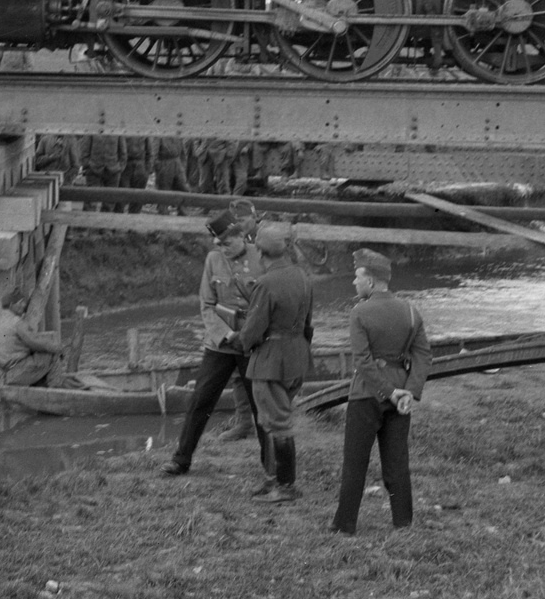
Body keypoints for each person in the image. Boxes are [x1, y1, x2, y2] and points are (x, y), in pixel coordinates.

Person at [331, 249, 429, 535]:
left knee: (355, 462)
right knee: (397, 461)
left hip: (366, 394)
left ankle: (344, 524)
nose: (354, 283)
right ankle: (403, 522)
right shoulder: (411, 310)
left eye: (357, 277)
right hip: (401, 396)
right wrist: (408, 391)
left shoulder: (359, 312)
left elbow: (361, 361)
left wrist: (387, 391)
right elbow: (424, 355)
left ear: (371, 282)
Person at [162, 212, 266, 477]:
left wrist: (251, 335)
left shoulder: (260, 257)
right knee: (201, 401)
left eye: (227, 243)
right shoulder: (213, 260)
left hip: (252, 343)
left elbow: (268, 301)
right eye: (218, 243)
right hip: (220, 344)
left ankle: (272, 466)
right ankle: (181, 459)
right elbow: (206, 305)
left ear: (241, 236)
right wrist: (226, 334)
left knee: (262, 405)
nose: (222, 248)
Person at [237, 222, 313, 504]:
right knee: (274, 419)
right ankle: (274, 480)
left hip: (270, 360)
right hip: (296, 356)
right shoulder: (302, 276)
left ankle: (285, 486)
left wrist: (240, 339)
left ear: (261, 252)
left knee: (276, 423)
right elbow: (308, 322)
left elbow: (253, 330)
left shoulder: (266, 283)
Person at [0, 291, 64, 386]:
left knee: (41, 356)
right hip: (16, 373)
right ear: (12, 306)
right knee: (54, 354)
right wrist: (57, 348)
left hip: (2, 372)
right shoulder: (16, 322)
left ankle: (43, 386)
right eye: (21, 303)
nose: (24, 305)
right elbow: (35, 343)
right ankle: (55, 390)